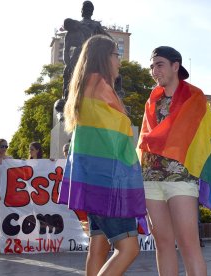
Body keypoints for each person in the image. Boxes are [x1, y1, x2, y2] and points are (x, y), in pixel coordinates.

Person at [137, 46, 211, 276]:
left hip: (181, 178)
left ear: (175, 66)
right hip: (151, 179)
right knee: (163, 244)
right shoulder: (152, 100)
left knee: (189, 245)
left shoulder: (195, 97)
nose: (153, 71)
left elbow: (204, 139)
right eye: (152, 66)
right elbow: (144, 139)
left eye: (159, 64)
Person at [58, 35, 146, 276]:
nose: (119, 61)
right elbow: (119, 134)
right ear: (104, 57)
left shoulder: (83, 86)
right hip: (110, 184)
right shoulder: (100, 86)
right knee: (128, 249)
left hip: (92, 183)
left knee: (98, 247)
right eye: (116, 55)